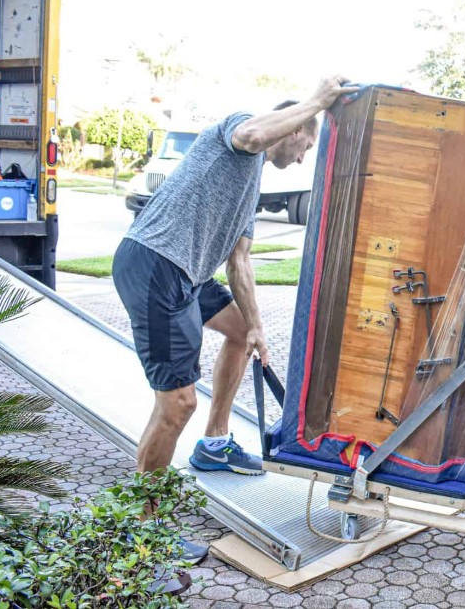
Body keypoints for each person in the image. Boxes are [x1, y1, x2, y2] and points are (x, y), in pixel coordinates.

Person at [112, 76, 357, 563]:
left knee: (240, 333)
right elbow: (250, 137)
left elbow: (239, 262)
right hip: (156, 263)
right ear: (293, 128)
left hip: (188, 274)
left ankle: (215, 443)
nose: (304, 157)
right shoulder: (235, 134)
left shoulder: (249, 188)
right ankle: (138, 530)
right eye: (307, 144)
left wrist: (259, 327)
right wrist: (320, 100)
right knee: (177, 403)